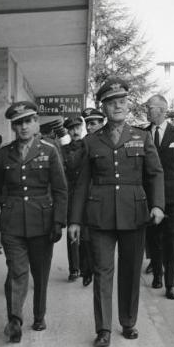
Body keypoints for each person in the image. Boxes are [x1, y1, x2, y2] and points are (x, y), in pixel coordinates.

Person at [68, 78, 164, 347]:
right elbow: (82, 183)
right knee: (102, 271)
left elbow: (155, 174)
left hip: (134, 213)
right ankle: (103, 329)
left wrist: (157, 205)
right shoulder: (91, 141)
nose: (118, 107)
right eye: (112, 103)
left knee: (131, 270)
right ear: (104, 107)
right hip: (99, 215)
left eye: (122, 102)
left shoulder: (141, 137)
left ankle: (128, 321)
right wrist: (74, 220)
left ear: (127, 105)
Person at [0, 101, 67, 343]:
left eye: (28, 121)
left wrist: (59, 221)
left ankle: (39, 315)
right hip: (12, 223)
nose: (23, 127)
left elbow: (61, 190)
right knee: (17, 271)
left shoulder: (49, 150)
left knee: (40, 273)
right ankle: (15, 320)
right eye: (18, 123)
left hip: (43, 221)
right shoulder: (3, 154)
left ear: (35, 122)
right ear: (13, 126)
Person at [144, 94, 174, 299]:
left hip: (172, 199)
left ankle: (171, 283)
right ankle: (157, 275)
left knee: (172, 240)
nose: (146, 110)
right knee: (153, 238)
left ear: (162, 109)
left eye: (149, 107)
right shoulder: (142, 134)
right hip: (150, 197)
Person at [79, 107, 106, 287]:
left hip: (102, 198)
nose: (89, 127)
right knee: (85, 238)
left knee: (101, 238)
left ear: (102, 123)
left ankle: (99, 270)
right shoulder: (85, 142)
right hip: (85, 196)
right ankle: (86, 271)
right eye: (87, 124)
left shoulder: (108, 142)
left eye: (93, 123)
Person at [62, 116, 86, 282]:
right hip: (71, 196)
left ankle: (86, 266)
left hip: (88, 195)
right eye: (71, 128)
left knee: (88, 232)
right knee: (72, 231)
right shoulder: (63, 150)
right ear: (68, 131)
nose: (75, 131)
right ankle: (74, 268)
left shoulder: (89, 146)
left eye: (77, 127)